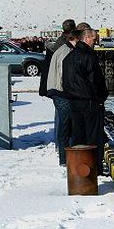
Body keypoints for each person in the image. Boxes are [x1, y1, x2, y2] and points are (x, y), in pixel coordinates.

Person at [63, 28, 108, 175]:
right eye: (94, 40)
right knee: (94, 138)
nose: (96, 42)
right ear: (87, 39)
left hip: (74, 102)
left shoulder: (68, 58)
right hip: (90, 102)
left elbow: (66, 82)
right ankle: (95, 171)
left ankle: (79, 171)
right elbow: (96, 81)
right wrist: (101, 97)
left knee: (78, 137)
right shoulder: (89, 56)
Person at [46, 30, 79, 165]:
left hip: (56, 90)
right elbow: (63, 74)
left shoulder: (62, 49)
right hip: (61, 92)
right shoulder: (67, 52)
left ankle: (64, 155)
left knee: (64, 124)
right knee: (66, 124)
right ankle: (65, 158)